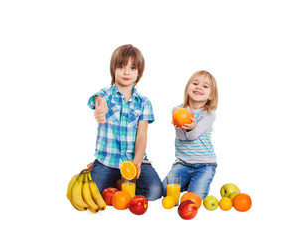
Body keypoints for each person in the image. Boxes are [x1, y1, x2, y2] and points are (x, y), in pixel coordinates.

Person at [87, 44, 162, 201]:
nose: (127, 72)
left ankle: (120, 188)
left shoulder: (144, 102)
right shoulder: (104, 95)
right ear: (113, 69)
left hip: (134, 160)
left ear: (139, 73)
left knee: (155, 191)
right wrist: (101, 109)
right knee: (92, 194)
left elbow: (142, 136)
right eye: (122, 67)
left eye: (132, 68)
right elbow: (99, 101)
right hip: (107, 161)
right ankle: (108, 179)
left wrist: (136, 163)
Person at [162, 70, 219, 199]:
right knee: (165, 191)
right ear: (188, 88)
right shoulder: (177, 110)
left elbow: (192, 136)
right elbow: (182, 137)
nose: (199, 87)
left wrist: (192, 127)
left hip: (205, 165)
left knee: (194, 197)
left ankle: (195, 183)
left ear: (211, 95)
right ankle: (188, 181)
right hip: (182, 163)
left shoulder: (209, 114)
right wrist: (180, 126)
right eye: (195, 83)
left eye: (205, 86)